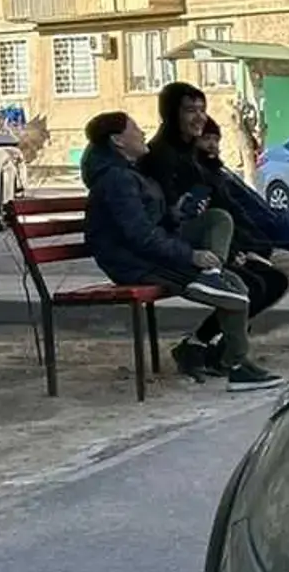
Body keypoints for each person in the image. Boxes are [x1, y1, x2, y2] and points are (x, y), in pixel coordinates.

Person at [146, 85, 289, 343]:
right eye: (190, 110)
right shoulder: (169, 160)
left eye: (202, 110)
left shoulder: (206, 164)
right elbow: (199, 217)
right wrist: (249, 247)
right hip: (251, 241)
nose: (199, 119)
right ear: (172, 114)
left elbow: (237, 210)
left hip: (266, 232)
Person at [77, 113, 278, 390]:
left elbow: (151, 222)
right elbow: (140, 236)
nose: (142, 132)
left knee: (219, 223)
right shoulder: (116, 180)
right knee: (235, 293)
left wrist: (176, 212)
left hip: (150, 253)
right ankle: (237, 365)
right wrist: (190, 255)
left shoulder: (129, 173)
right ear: (117, 140)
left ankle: (213, 272)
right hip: (135, 263)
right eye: (135, 128)